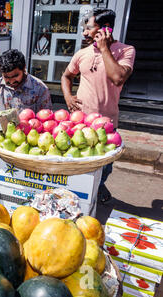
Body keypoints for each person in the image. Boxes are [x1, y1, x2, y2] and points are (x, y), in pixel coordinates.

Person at [61, 8, 136, 203]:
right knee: (76, 159)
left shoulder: (126, 51)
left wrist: (104, 49)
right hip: (80, 120)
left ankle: (98, 187)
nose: (84, 33)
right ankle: (78, 195)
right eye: (84, 29)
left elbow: (118, 78)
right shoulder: (82, 53)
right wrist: (68, 97)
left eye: (89, 28)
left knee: (104, 165)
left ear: (105, 29)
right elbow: (66, 76)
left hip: (107, 122)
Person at [0, 49, 52, 113]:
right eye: (6, 77)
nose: (11, 82)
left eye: (15, 76)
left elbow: (45, 120)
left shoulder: (40, 89)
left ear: (24, 68)